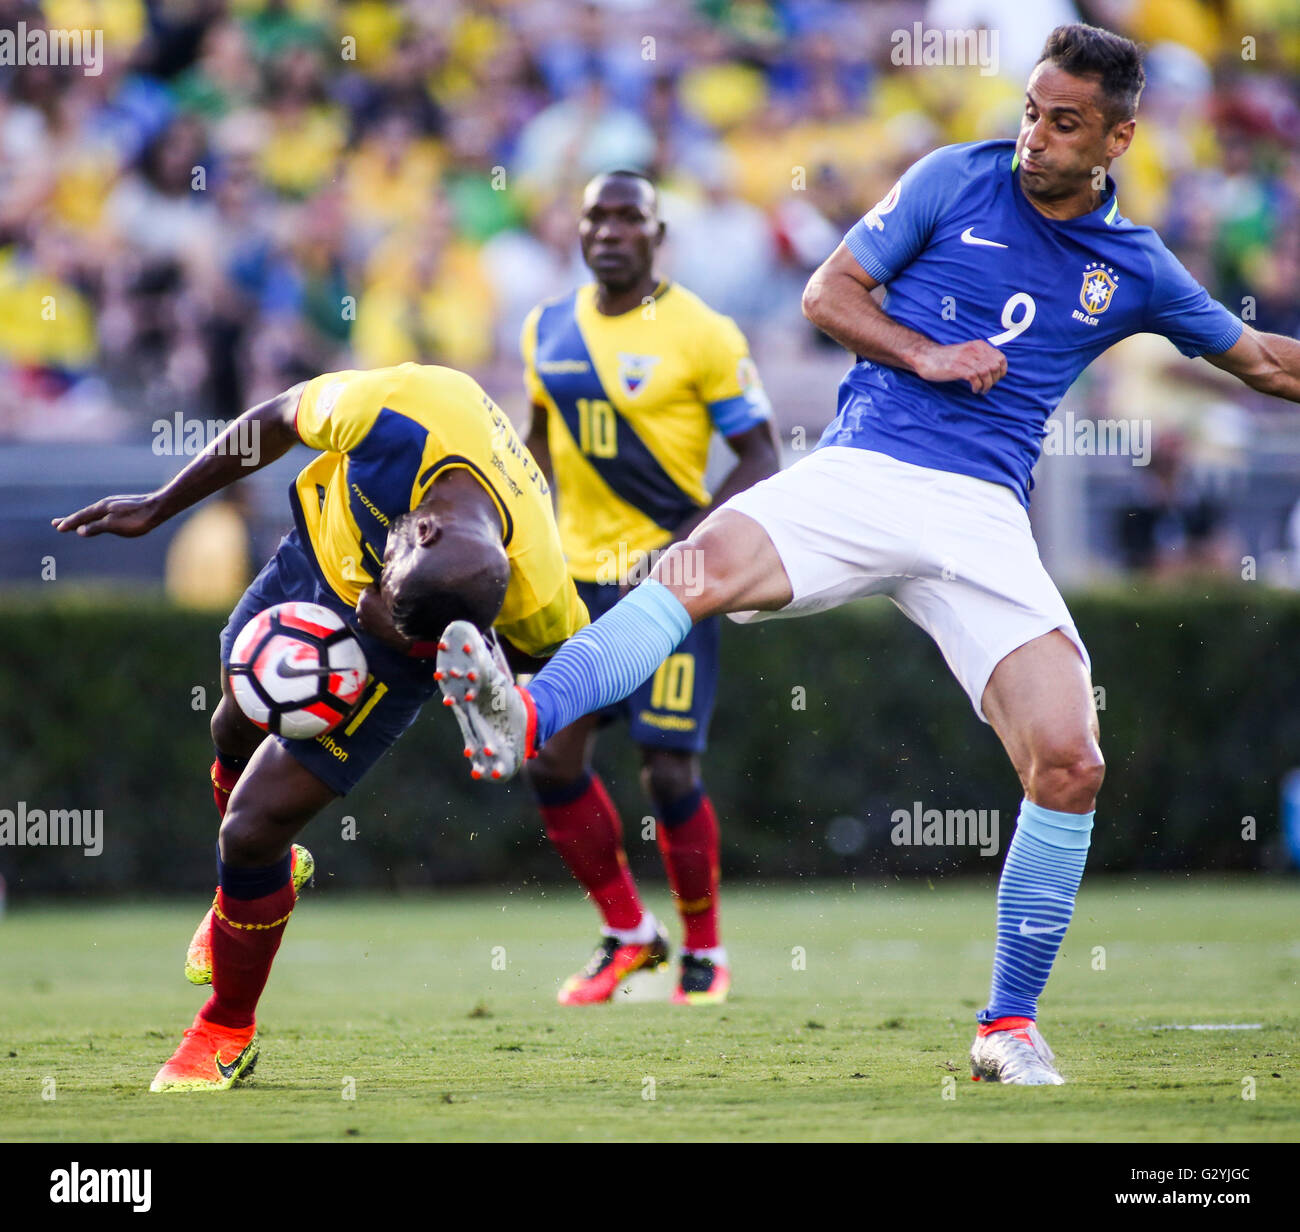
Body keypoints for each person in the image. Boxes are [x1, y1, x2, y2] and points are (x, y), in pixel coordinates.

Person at [439, 23, 1300, 1085]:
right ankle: (521, 711)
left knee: (1070, 761)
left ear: (1118, 138)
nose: (1034, 137)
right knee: (693, 573)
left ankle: (1005, 1028)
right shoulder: (952, 177)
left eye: (1063, 123)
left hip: (982, 515)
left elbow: (1261, 361)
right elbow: (827, 295)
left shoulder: (1137, 264)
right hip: (862, 470)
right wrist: (927, 352)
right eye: (1030, 111)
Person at [53, 362, 587, 1091]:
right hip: (314, 557)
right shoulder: (400, 410)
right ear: (419, 525)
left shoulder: (537, 583)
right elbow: (275, 418)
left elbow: (551, 660)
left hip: (395, 661)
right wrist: (159, 505)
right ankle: (265, 880)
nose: (382, 594)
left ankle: (225, 1031)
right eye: (393, 579)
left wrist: (413, 644)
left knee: (247, 832)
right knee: (231, 728)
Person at [520, 170, 779, 1005]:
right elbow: (529, 459)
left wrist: (686, 546)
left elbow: (761, 457)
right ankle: (629, 933)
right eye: (596, 215)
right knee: (550, 758)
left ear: (657, 235)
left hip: (670, 588)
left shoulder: (702, 331)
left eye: (629, 217)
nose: (609, 230)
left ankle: (705, 950)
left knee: (667, 770)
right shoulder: (546, 330)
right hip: (573, 584)